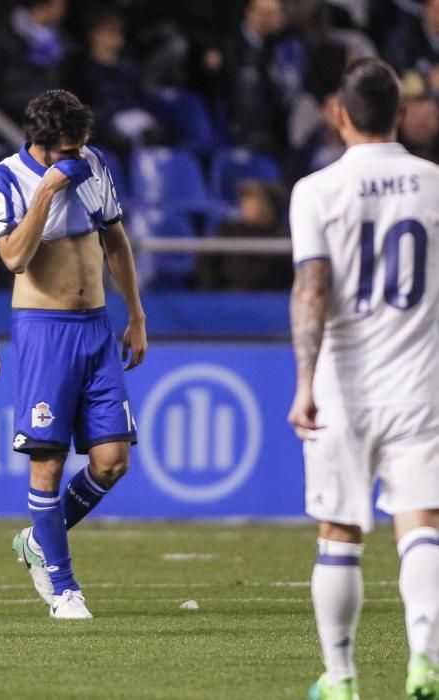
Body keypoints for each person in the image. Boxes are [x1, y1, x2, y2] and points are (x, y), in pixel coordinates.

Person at [288, 58, 439, 700]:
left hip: (342, 387)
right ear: (401, 114)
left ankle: (343, 677)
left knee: (340, 533)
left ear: (339, 114)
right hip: (421, 383)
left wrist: (304, 382)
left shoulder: (317, 190)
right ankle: (426, 662)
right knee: (423, 524)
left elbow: (312, 288)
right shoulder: (435, 183)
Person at [0, 89, 147, 619]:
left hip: (97, 327)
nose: (76, 156)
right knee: (48, 462)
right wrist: (48, 192)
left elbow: (115, 240)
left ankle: (37, 541)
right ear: (41, 144)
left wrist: (136, 317)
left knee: (112, 460)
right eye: (66, 149)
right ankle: (65, 588)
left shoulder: (93, 163)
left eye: (81, 146)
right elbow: (12, 256)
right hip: (44, 329)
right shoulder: (6, 177)